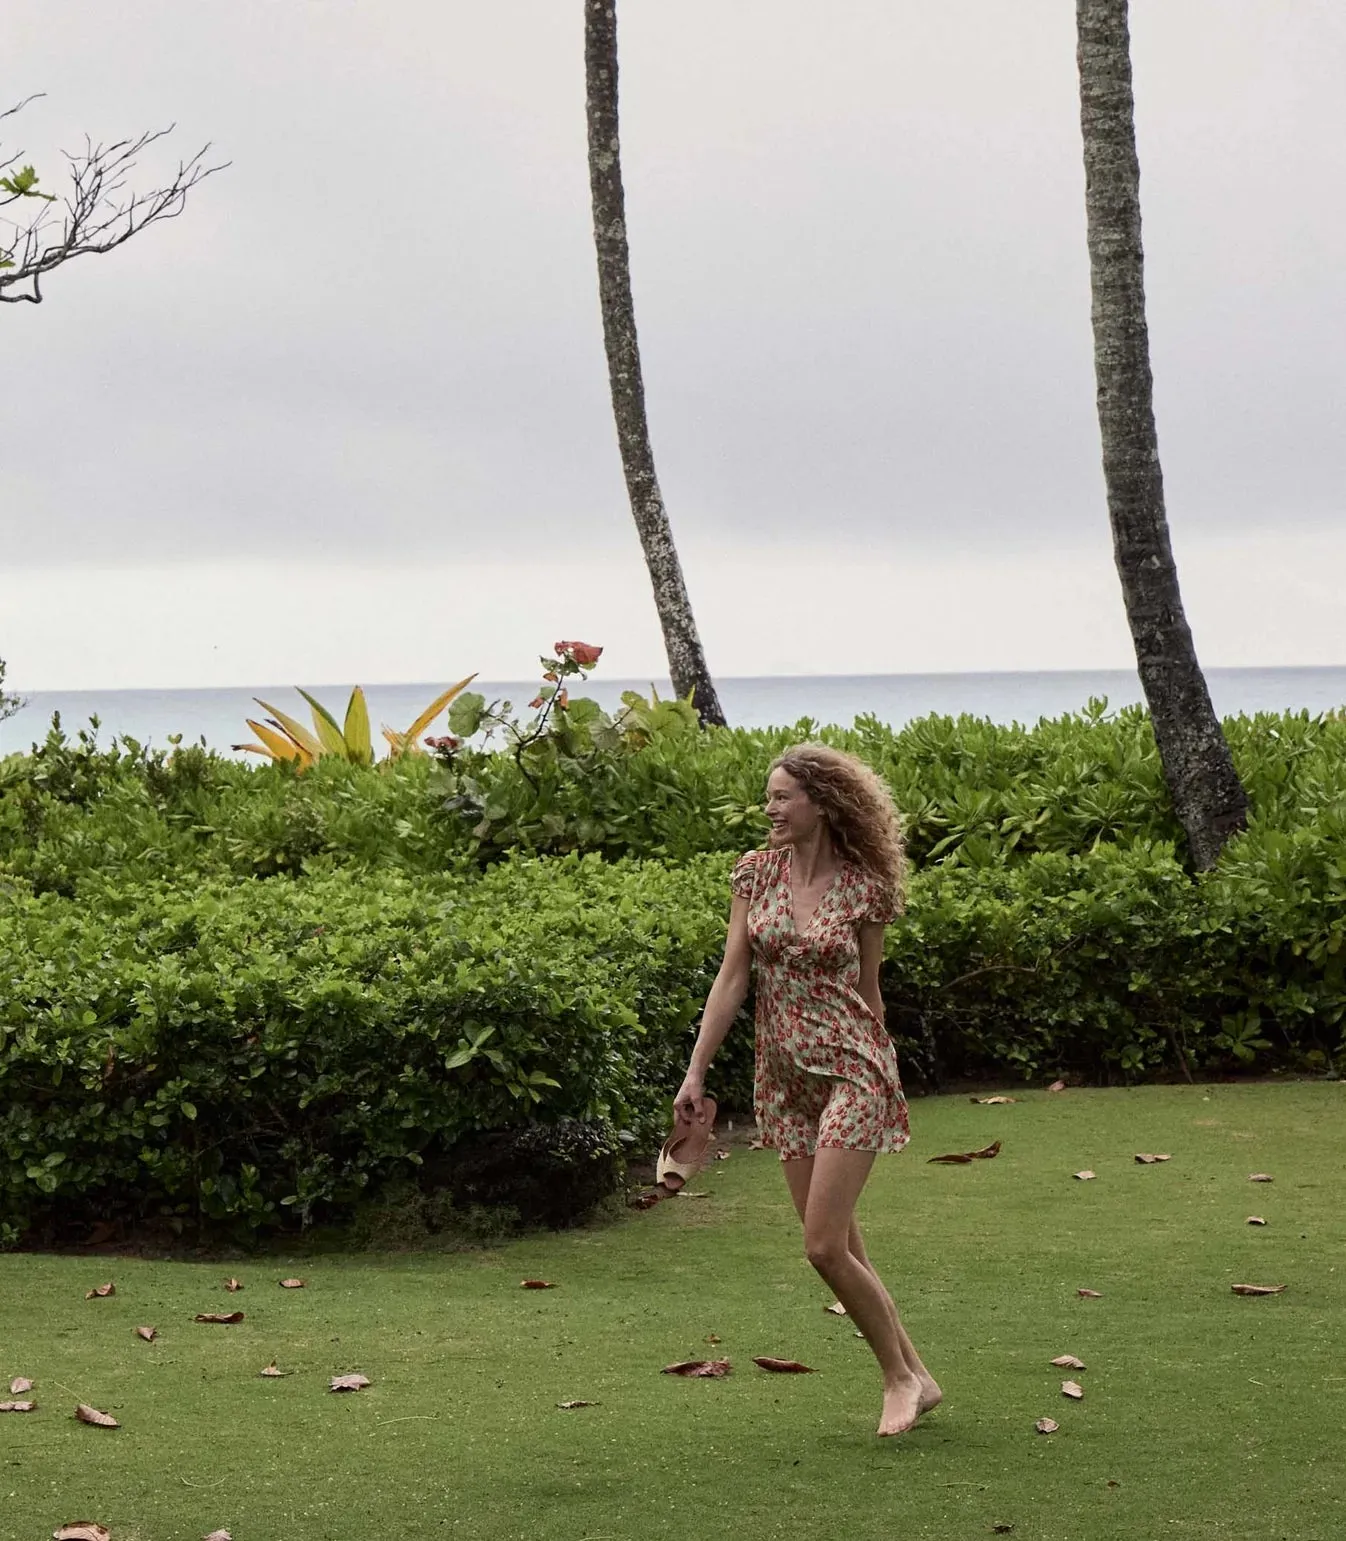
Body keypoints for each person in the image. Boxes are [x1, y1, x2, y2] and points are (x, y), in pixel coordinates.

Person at [673, 742, 940, 1437]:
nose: (771, 807)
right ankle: (920, 1373)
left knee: (822, 1246)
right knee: (843, 1243)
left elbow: (869, 989)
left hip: (854, 1067)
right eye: (769, 795)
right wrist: (696, 1070)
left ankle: (898, 1379)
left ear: (822, 801)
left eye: (783, 795)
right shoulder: (754, 876)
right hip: (783, 1079)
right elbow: (733, 977)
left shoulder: (864, 885)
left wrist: (883, 1066)